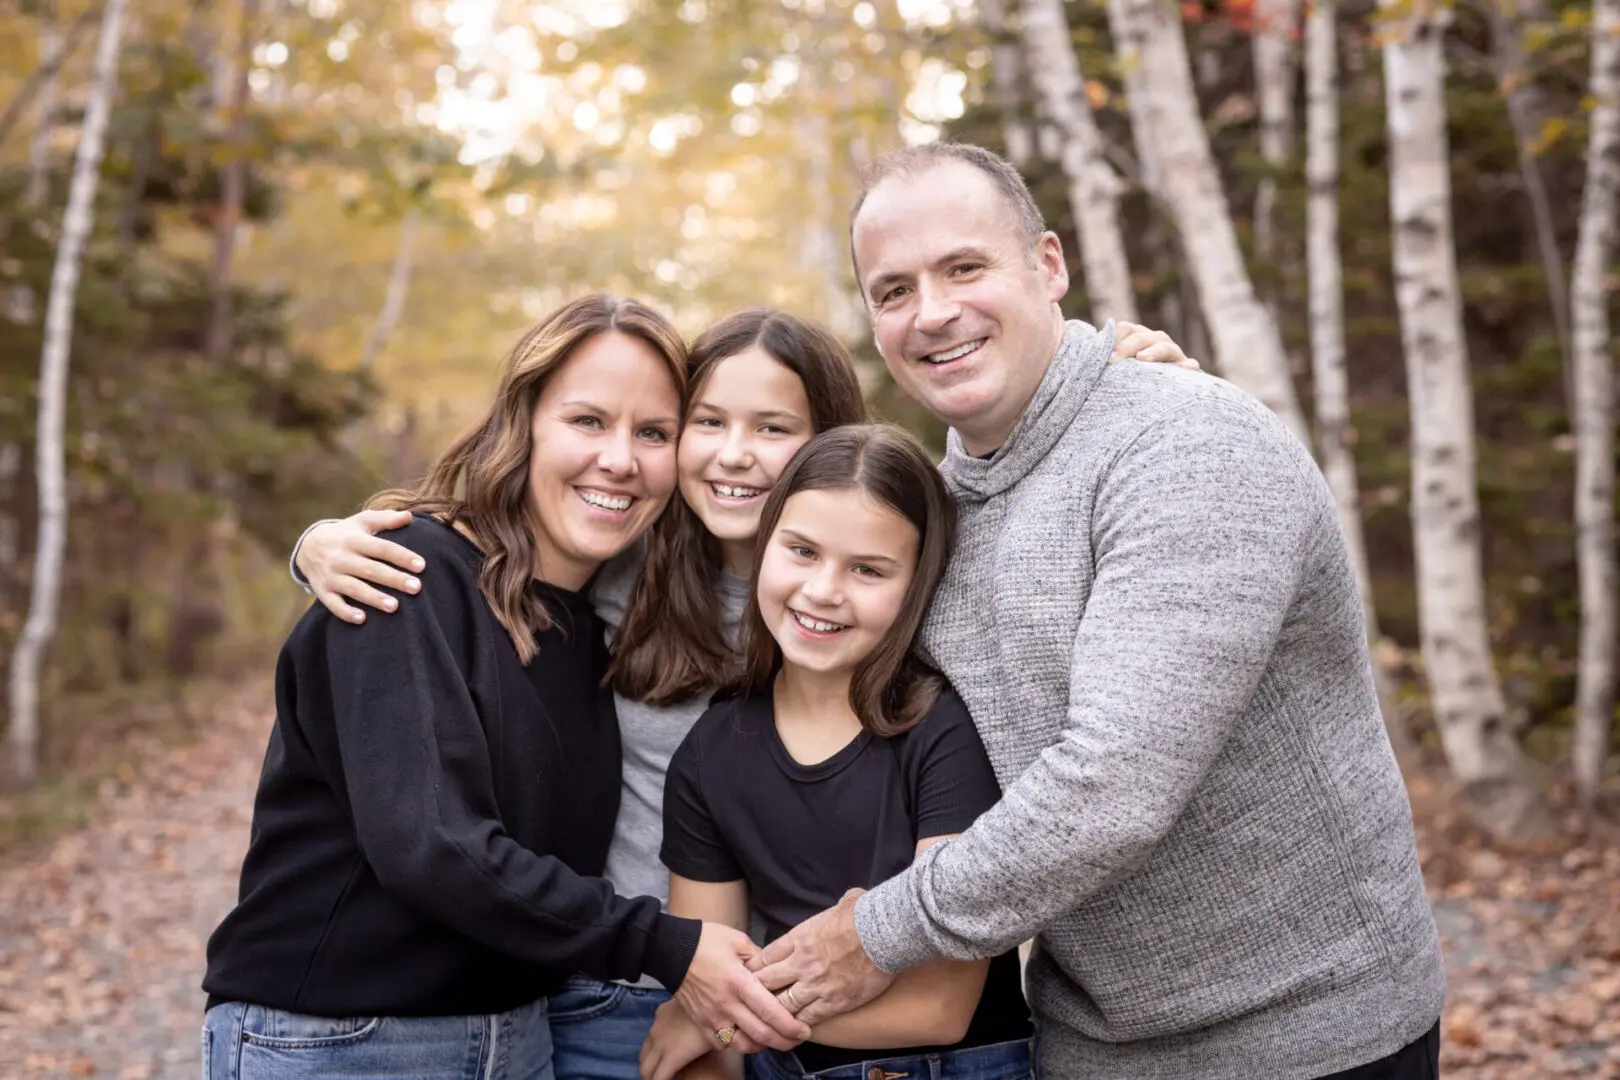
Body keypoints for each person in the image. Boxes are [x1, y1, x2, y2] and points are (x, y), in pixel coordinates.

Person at [286, 308, 1194, 1076]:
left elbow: (1013, 505)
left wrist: (1124, 384)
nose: (734, 456)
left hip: (847, 1002)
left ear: (823, 444)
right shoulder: (623, 564)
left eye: (773, 429)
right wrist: (318, 543)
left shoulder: (892, 573)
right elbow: (487, 546)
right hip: (622, 990)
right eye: (705, 423)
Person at [728, 144, 1446, 1079]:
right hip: (1086, 1048)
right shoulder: (935, 515)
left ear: (1050, 264)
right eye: (893, 290)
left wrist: (876, 931)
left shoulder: (1185, 444)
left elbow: (1116, 781)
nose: (933, 312)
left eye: (964, 267)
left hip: (1309, 1041)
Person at [201, 295, 789, 1079]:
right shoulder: (407, 577)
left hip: (516, 1036)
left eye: (652, 433)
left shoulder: (599, 614)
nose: (619, 459)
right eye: (587, 421)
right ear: (524, 423)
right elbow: (433, 845)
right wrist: (666, 945)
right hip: (344, 1039)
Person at [642, 423, 1036, 1080]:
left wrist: (728, 1018)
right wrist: (712, 1022)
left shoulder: (945, 732)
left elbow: (936, 1005)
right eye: (801, 551)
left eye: (867, 570)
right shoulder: (711, 752)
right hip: (778, 1063)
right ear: (764, 546)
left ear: (916, 586)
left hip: (952, 1065)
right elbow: (706, 969)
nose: (823, 590)